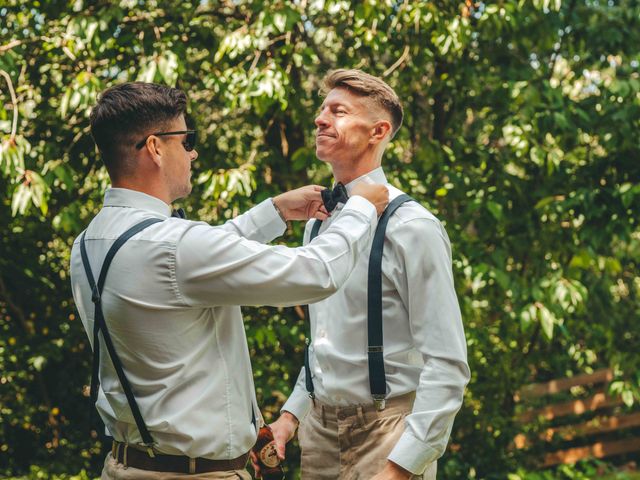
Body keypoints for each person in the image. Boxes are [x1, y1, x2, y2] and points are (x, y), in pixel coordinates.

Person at [69, 81, 389, 479]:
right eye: (186, 141)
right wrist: (361, 208)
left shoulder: (89, 242)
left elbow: (193, 262)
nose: (193, 152)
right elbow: (316, 271)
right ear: (154, 147)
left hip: (124, 465)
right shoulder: (171, 245)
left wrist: (273, 212)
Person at [259, 70, 470, 480]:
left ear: (378, 131)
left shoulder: (414, 227)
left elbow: (447, 364)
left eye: (338, 112)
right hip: (318, 434)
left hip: (389, 432)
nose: (321, 119)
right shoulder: (317, 224)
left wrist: (402, 465)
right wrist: (291, 414)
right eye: (322, 110)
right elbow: (325, 344)